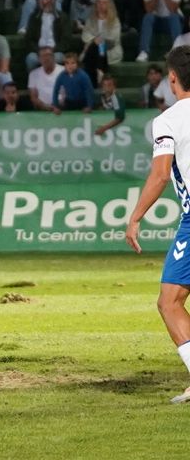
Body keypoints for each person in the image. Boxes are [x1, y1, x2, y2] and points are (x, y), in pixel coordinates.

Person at [123, 44, 190, 404]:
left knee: (170, 301)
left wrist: (135, 218)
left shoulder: (168, 121)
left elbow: (161, 174)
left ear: (172, 78)